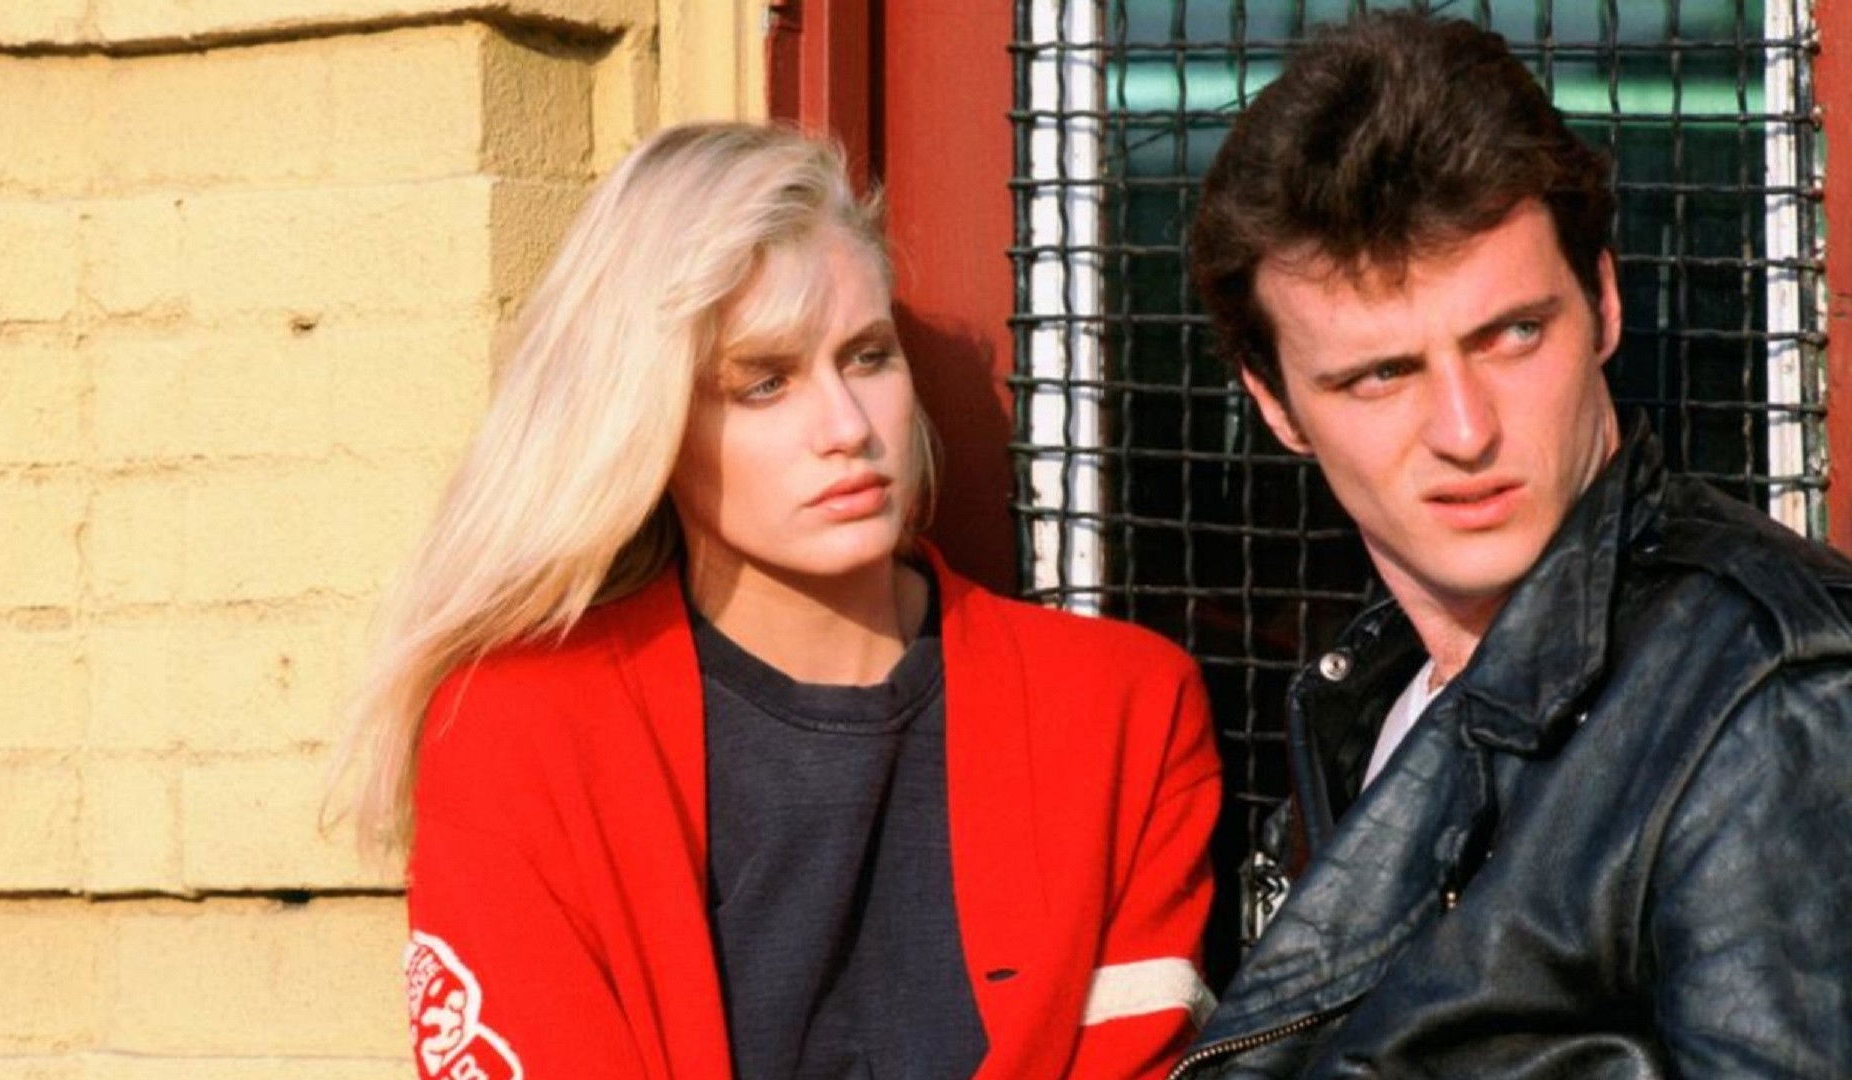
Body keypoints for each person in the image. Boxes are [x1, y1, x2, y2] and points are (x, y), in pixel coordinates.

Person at [337, 122, 1222, 1080]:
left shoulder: (1120, 709)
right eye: (763, 384)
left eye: (868, 356)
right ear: (646, 421)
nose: (846, 427)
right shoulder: (520, 731)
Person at [1173, 13, 1852, 1078]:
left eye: (1513, 335)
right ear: (1277, 406)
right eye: (1381, 375)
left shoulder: (1773, 688)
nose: (1465, 430)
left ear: (1605, 303)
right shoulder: (1374, 693)